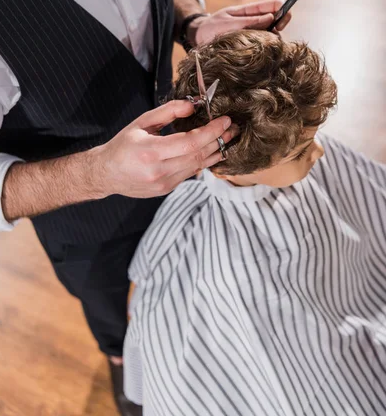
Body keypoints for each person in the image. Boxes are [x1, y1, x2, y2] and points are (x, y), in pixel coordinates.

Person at [0, 0, 294, 413]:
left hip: (193, 194)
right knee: (135, 349)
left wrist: (193, 22)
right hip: (97, 240)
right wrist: (95, 174)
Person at [124, 29, 386, 416]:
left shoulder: (290, 143)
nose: (320, 152)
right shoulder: (211, 264)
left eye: (314, 137)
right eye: (299, 153)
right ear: (226, 167)